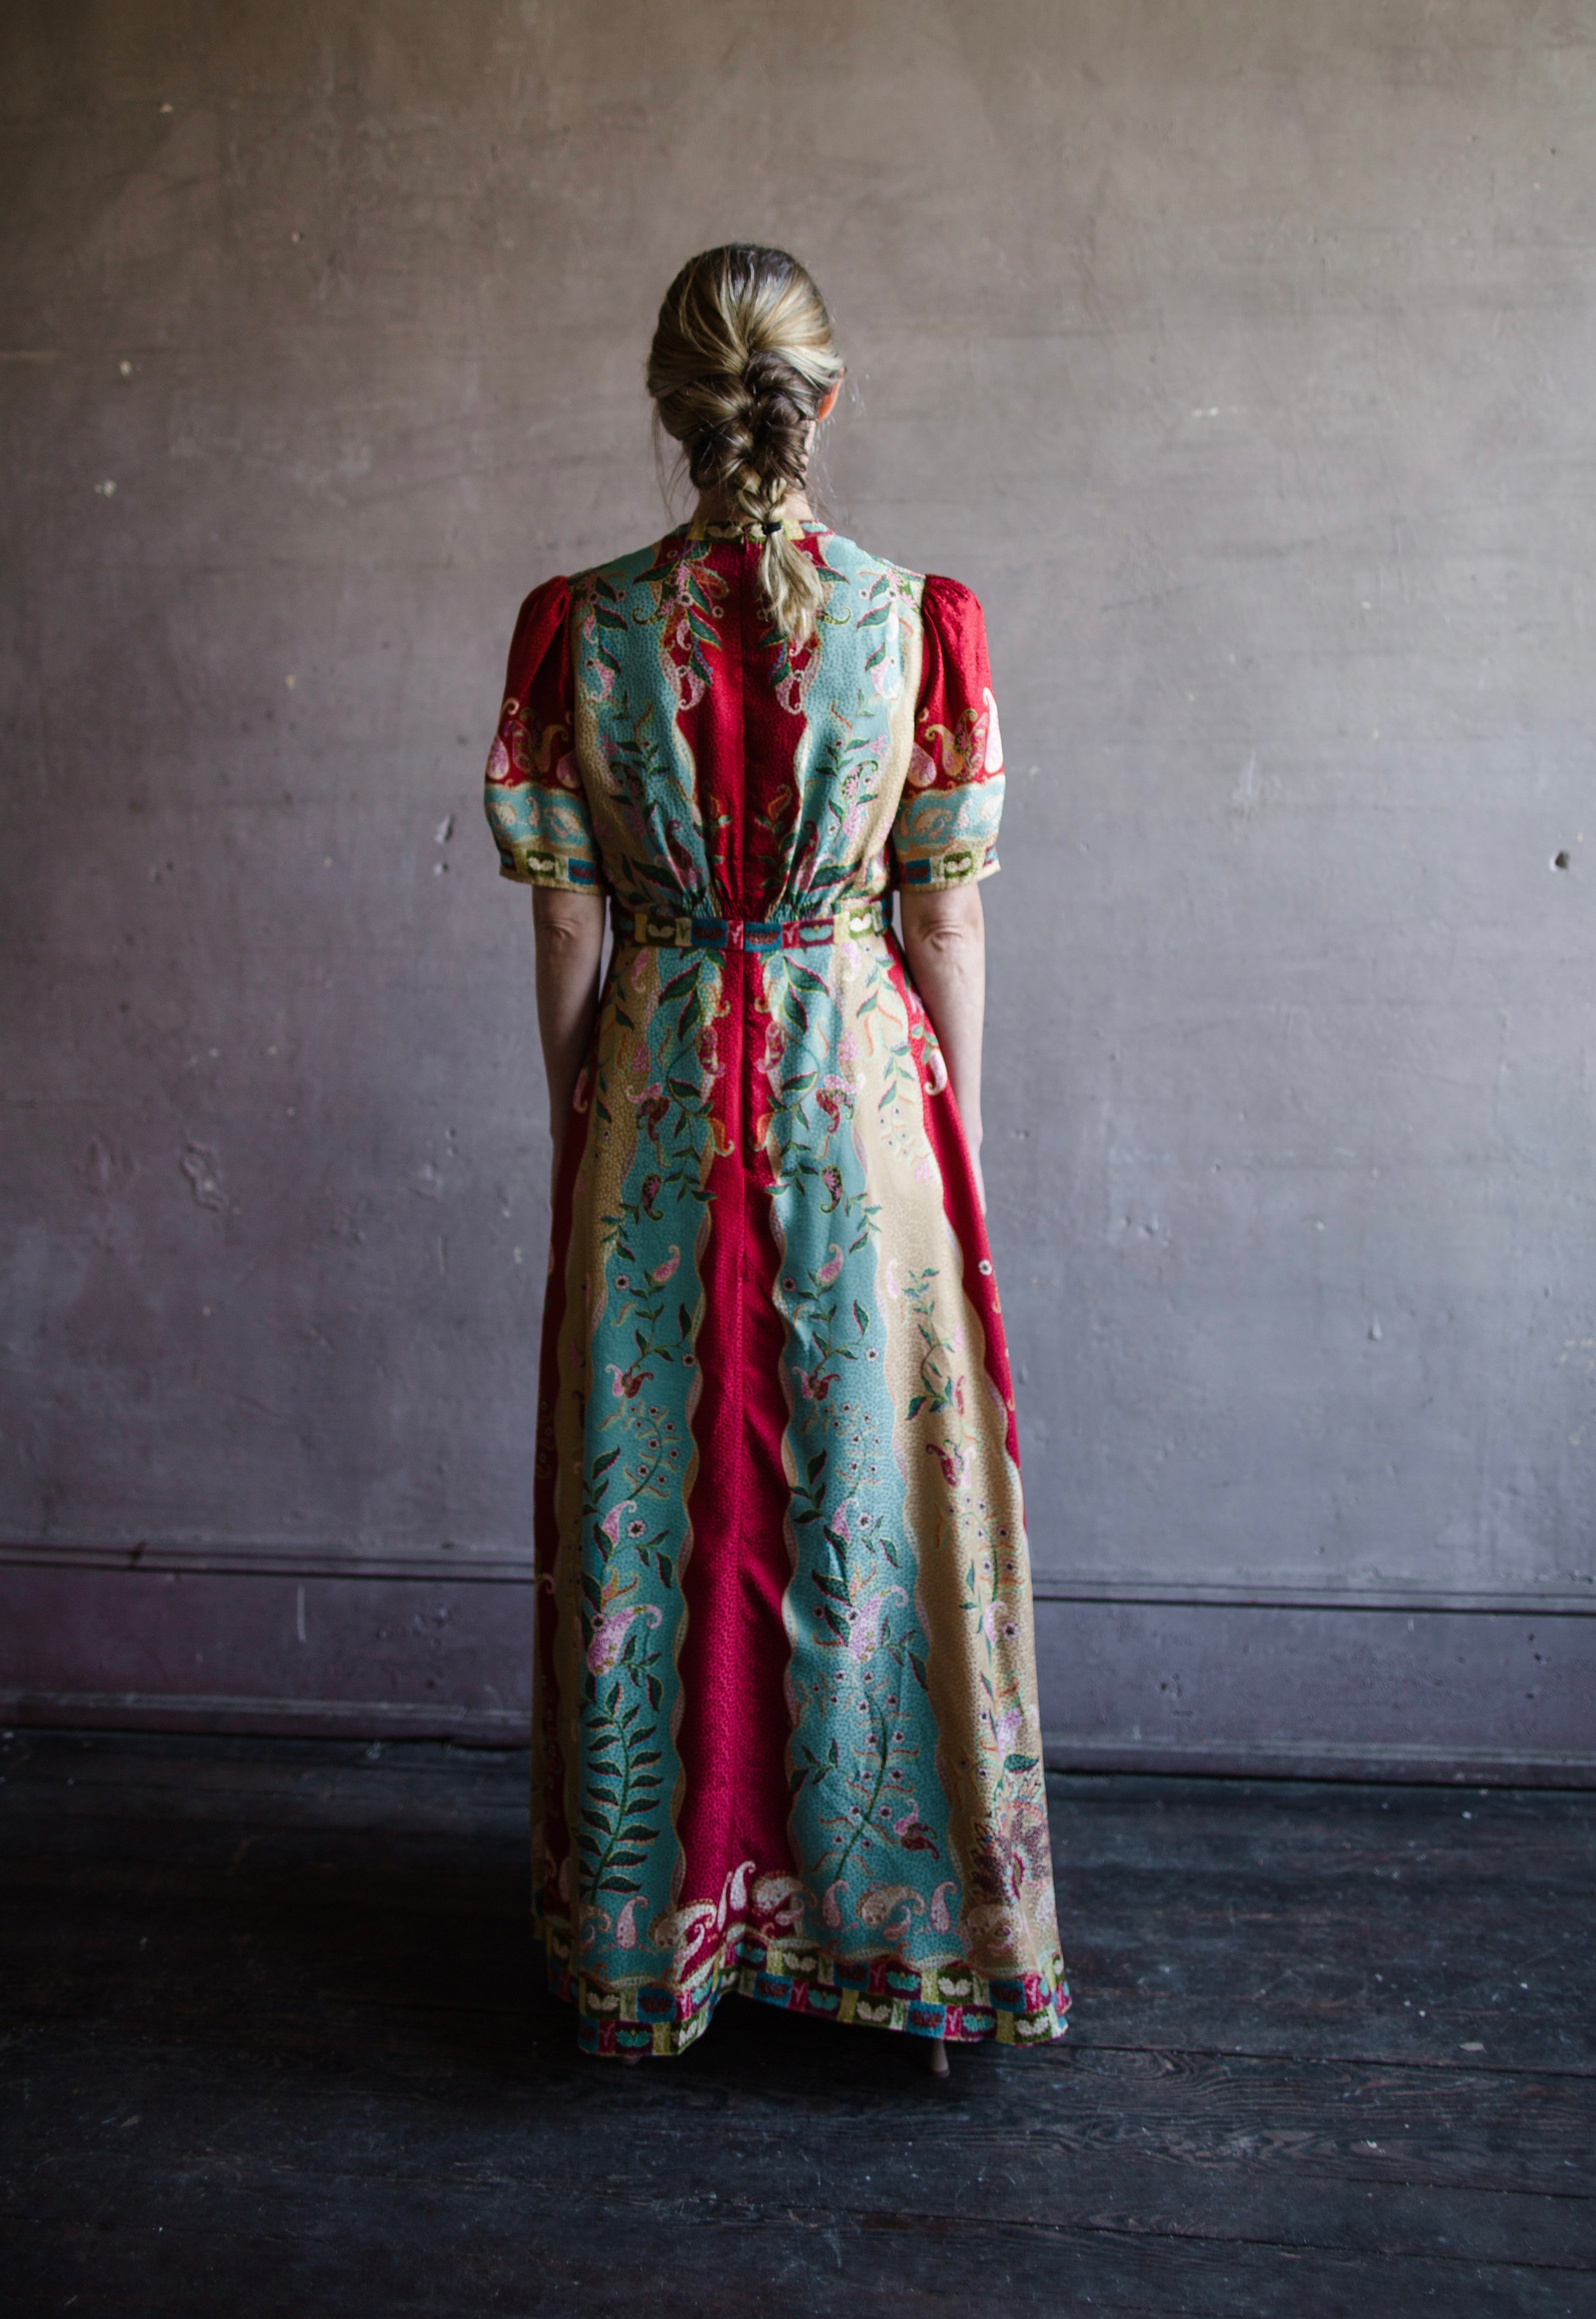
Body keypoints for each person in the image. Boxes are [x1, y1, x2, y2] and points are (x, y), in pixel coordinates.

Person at [484, 244, 1068, 2067]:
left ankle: (656, 1938)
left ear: (672, 405)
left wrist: (591, 1104)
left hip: (659, 1080)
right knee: (863, 1494)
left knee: (655, 1490)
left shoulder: (578, 623)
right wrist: (945, 1131)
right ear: (829, 398)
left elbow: (570, 931)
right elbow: (947, 928)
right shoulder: (919, 620)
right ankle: (889, 1932)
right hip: (854, 1093)